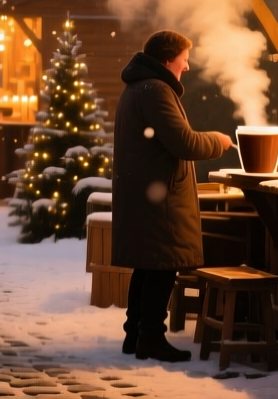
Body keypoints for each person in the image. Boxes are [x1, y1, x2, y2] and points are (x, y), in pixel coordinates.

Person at [113, 30, 232, 362]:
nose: (188, 66)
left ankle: (135, 334)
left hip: (147, 196)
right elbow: (185, 143)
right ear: (168, 60)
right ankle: (150, 338)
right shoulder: (155, 90)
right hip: (159, 201)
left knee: (147, 267)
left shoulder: (140, 87)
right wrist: (218, 141)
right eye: (184, 58)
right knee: (162, 267)